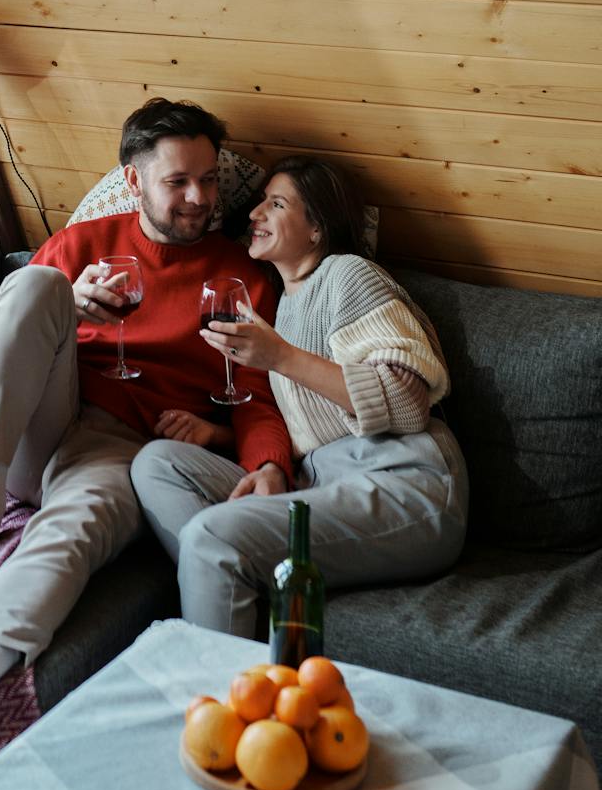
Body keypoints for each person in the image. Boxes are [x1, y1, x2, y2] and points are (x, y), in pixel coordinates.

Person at [0, 98, 293, 754]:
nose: (199, 197)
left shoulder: (243, 277)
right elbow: (0, 349)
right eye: (178, 182)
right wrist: (70, 305)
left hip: (127, 452)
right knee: (33, 286)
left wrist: (254, 458)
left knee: (77, 524)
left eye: (208, 178)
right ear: (134, 181)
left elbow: (258, 397)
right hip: (39, 428)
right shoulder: (84, 244)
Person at [130, 156, 469, 638]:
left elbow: (407, 402)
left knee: (211, 535)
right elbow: (313, 425)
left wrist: (280, 356)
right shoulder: (282, 305)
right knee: (158, 462)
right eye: (260, 202)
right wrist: (218, 434)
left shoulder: (349, 276)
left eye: (277, 203)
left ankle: (224, 692)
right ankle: (233, 575)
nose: (254, 214)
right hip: (321, 479)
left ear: (316, 229)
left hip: (406, 481)